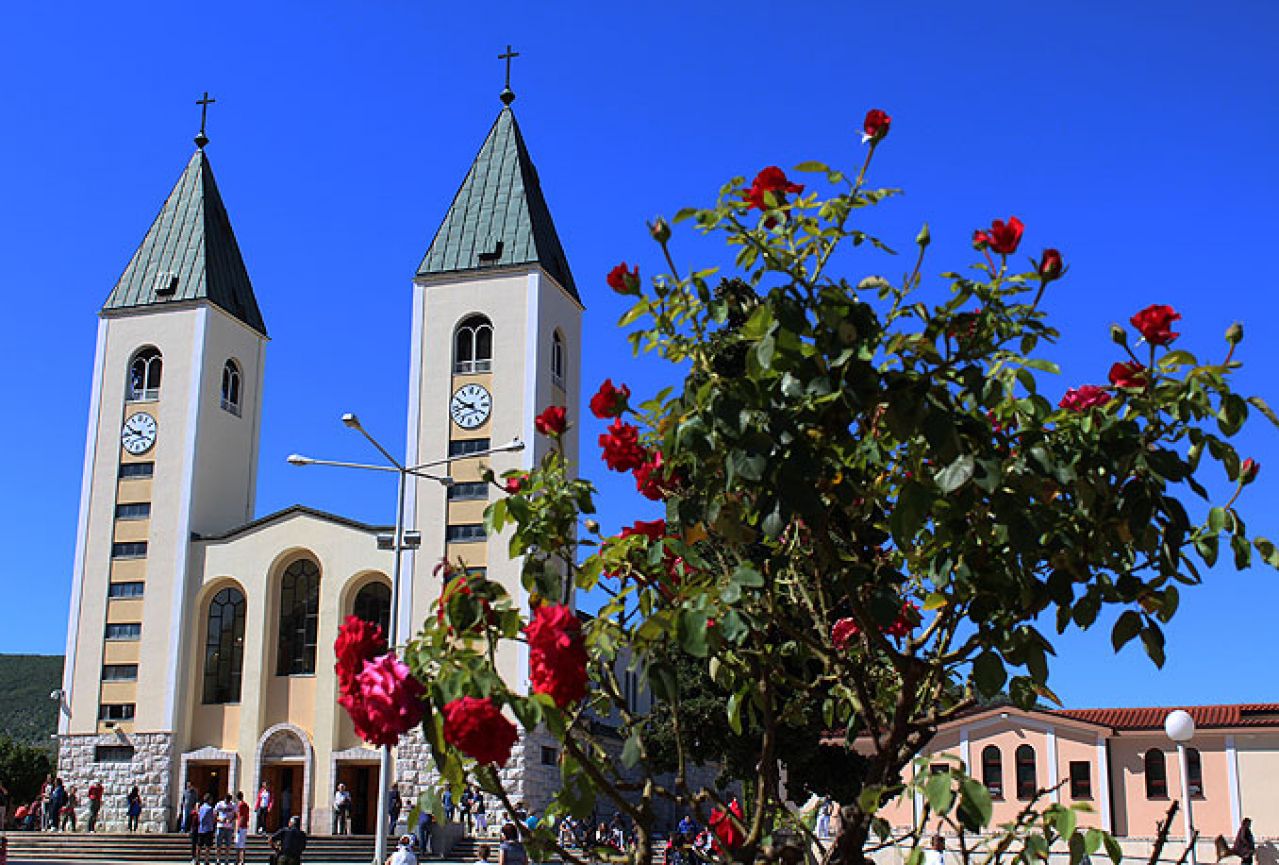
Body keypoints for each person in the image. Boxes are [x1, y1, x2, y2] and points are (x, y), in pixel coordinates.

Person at [193, 794, 216, 865]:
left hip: (201, 829)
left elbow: (200, 817)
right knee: (207, 846)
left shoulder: (201, 807)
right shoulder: (210, 808)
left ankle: (197, 860)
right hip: (208, 829)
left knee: (199, 845)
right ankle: (206, 860)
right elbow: (212, 819)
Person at [214, 794, 236, 865]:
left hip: (229, 827)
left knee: (228, 845)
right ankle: (218, 859)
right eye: (226, 801)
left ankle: (226, 859)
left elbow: (236, 815)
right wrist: (219, 819)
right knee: (218, 844)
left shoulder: (233, 805)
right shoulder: (219, 804)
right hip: (220, 826)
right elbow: (214, 814)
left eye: (229, 801)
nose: (227, 802)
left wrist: (231, 820)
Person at [234, 792, 251, 865]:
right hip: (244, 826)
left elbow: (241, 816)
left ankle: (238, 860)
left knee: (238, 844)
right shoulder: (246, 805)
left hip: (241, 826)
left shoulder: (240, 805)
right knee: (242, 844)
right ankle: (241, 860)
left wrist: (238, 827)